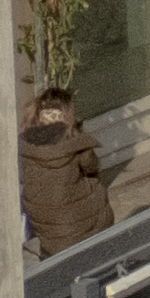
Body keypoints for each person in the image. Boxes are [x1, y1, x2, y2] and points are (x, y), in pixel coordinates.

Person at [20, 85, 109, 255]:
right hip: (75, 226)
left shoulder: (25, 144)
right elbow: (92, 166)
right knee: (96, 191)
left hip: (44, 229)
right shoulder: (73, 140)